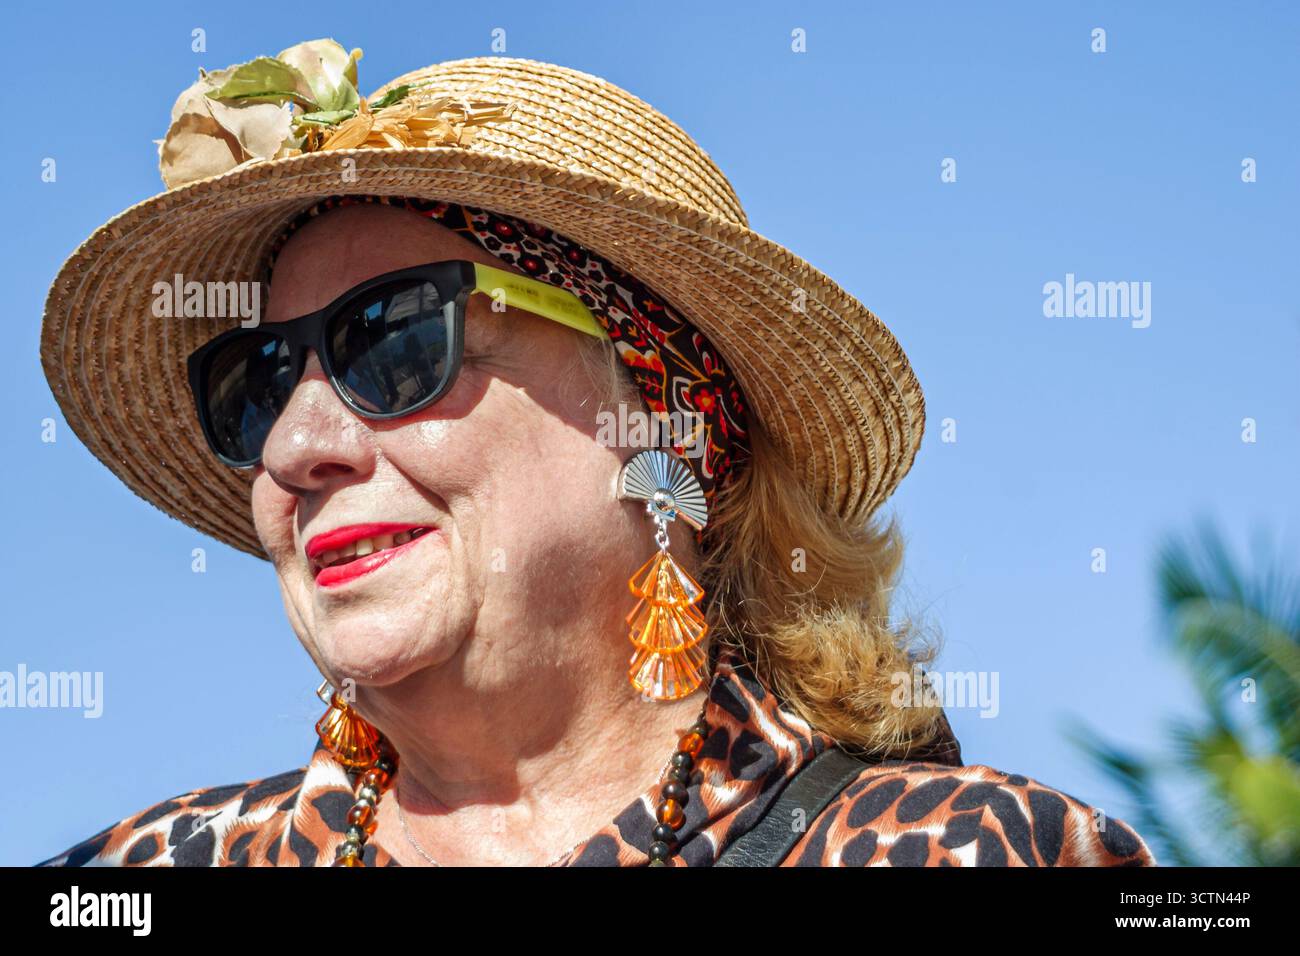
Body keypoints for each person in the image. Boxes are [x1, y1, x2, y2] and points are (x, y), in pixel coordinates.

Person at [35, 42, 1155, 867]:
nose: (296, 445)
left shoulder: (978, 851)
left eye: (393, 337)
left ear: (666, 422)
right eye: (260, 380)